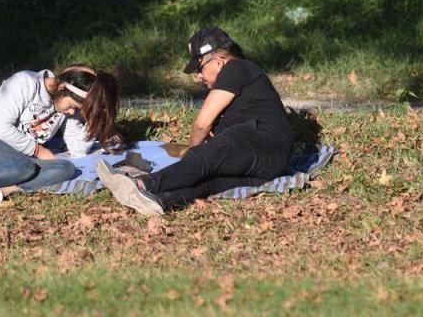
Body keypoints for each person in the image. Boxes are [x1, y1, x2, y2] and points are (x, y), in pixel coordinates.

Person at [98, 27, 294, 215]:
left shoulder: (237, 67)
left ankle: (143, 184)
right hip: (271, 164)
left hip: (262, 139)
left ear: (219, 62)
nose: (198, 76)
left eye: (200, 67)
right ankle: (159, 200)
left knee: (204, 159)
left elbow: (202, 124)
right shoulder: (238, 90)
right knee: (208, 183)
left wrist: (193, 152)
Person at [0, 64, 119, 209]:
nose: (71, 113)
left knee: (66, 168)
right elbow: (1, 128)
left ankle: (2, 190)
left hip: (9, 159)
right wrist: (38, 150)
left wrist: (90, 120)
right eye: (71, 107)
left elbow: (77, 149)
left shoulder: (68, 108)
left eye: (76, 110)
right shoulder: (26, 82)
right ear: (62, 87)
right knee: (25, 166)